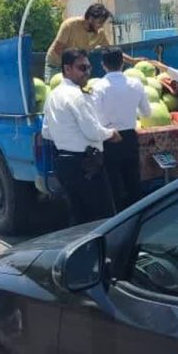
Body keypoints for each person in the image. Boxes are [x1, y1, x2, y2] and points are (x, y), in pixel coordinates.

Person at [42, 48, 121, 225]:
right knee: (102, 220)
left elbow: (46, 131)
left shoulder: (53, 95)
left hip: (65, 164)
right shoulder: (76, 96)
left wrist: (66, 136)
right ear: (67, 69)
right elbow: (92, 132)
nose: (87, 72)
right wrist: (111, 133)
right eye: (82, 68)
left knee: (78, 217)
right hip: (86, 165)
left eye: (88, 68)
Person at [91, 46, 151, 211]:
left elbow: (94, 116)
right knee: (133, 182)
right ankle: (137, 215)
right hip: (130, 137)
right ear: (123, 62)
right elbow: (146, 113)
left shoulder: (98, 87)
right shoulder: (136, 83)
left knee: (113, 185)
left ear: (103, 64)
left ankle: (117, 218)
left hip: (109, 138)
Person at [45, 3, 116, 82]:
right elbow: (58, 49)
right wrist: (74, 66)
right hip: (56, 66)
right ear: (90, 18)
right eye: (100, 22)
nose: (101, 26)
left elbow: (111, 51)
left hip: (77, 69)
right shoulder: (70, 25)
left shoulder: (100, 33)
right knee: (55, 88)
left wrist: (127, 60)